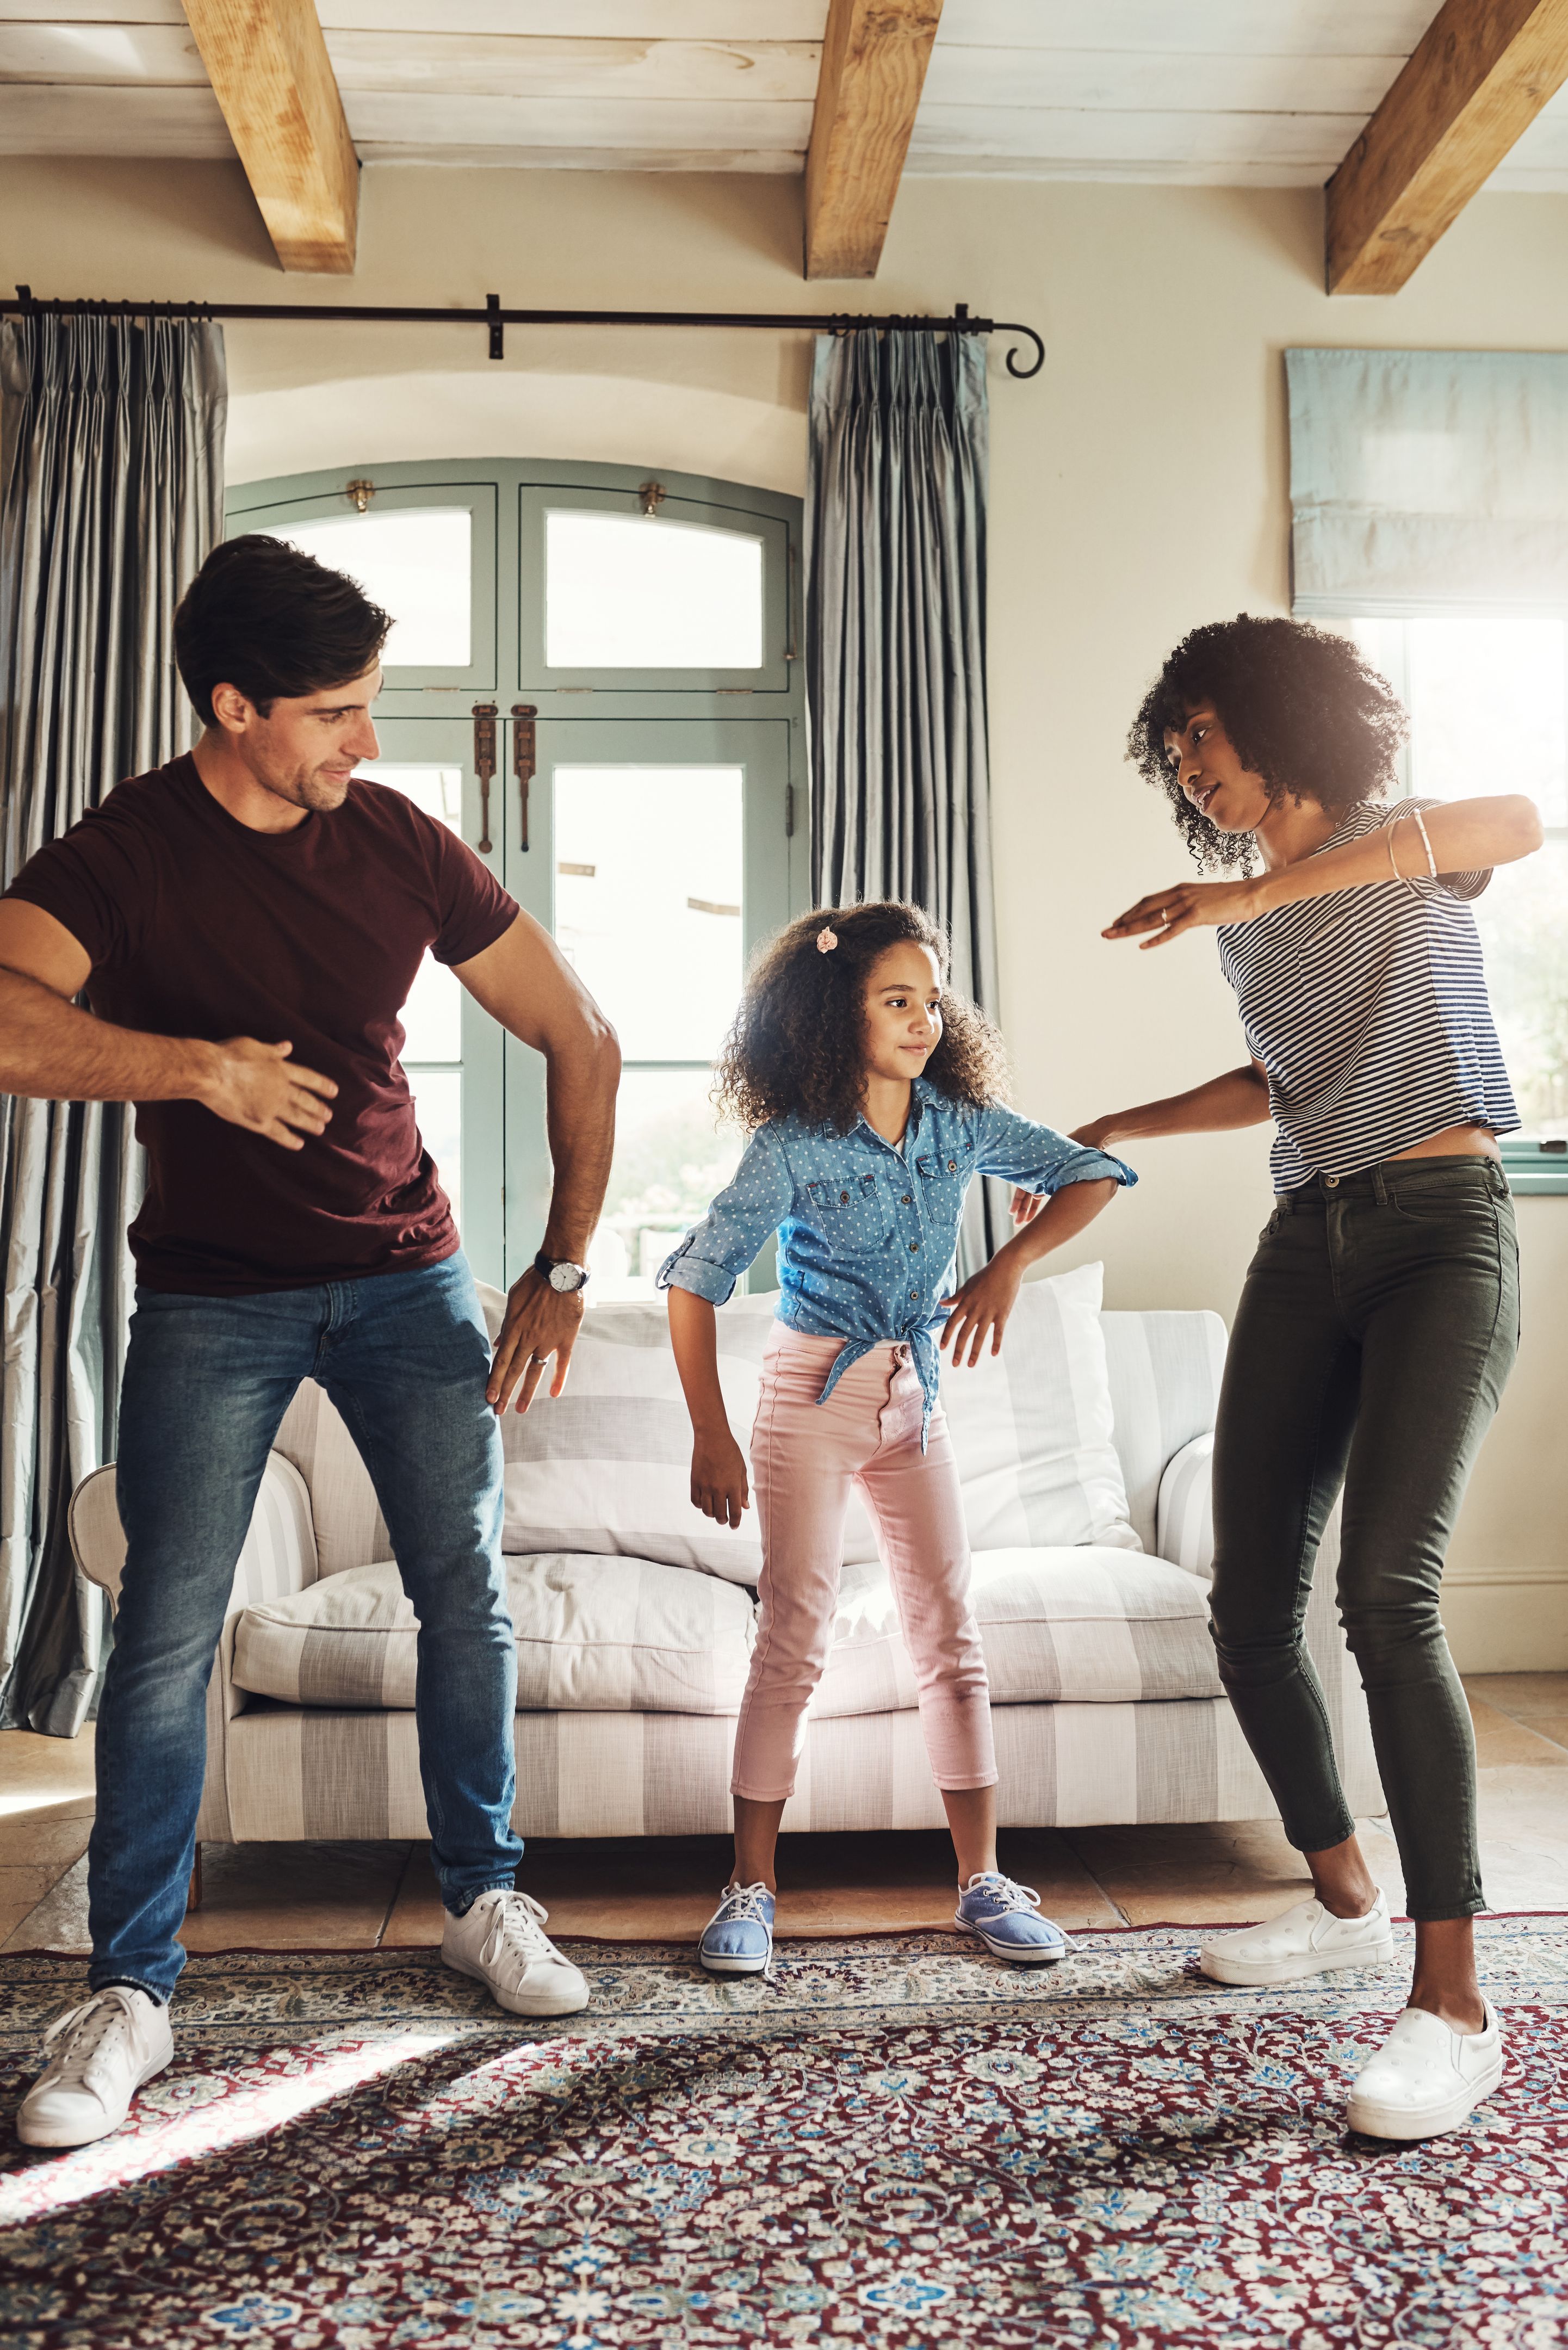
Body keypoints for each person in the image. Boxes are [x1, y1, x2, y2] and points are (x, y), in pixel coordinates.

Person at [2, 535, 620, 2150]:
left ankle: (484, 1900)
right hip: (211, 1299)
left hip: (410, 1281)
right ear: (234, 707)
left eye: (368, 705)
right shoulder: (128, 853)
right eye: (336, 712)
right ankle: (129, 1991)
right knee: (163, 1637)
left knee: (464, 1597)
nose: (367, 739)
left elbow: (580, 1032)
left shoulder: (399, 842)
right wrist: (195, 1070)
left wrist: (561, 1264)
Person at [1036, 613, 1541, 2141]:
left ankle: (1453, 2007)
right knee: (1248, 1601)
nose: (1187, 763)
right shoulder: (1247, 923)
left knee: (1384, 1593)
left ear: (1279, 714)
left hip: (1440, 1230)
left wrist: (1246, 893)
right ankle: (1340, 1900)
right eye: (1173, 747)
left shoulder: (1409, 839)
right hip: (1304, 1237)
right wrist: (1118, 1123)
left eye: (1201, 729)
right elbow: (1284, 1078)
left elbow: (1520, 819)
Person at [658, 901, 1136, 1977]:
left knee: (947, 1630)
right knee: (794, 1630)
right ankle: (749, 1887)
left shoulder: (958, 1124)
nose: (924, 1022)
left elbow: (1094, 1171)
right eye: (895, 1002)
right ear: (839, 1014)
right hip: (808, 1394)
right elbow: (692, 1283)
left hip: (913, 1396)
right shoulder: (791, 1145)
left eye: (932, 1001)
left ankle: (982, 1882)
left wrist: (1007, 1267)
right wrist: (709, 1435)